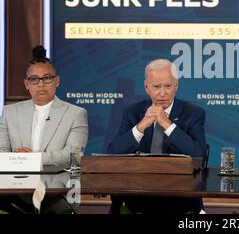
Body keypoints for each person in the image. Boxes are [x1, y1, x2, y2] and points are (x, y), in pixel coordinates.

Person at [106, 59, 207, 214]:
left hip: (179, 198)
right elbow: (112, 154)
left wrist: (167, 124)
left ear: (176, 86)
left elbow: (199, 156)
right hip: (137, 197)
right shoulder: (132, 111)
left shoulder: (193, 113)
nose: (162, 93)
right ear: (146, 87)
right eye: (156, 87)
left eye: (167, 86)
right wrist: (140, 127)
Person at [0, 45, 89, 213]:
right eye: (34, 79)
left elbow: (73, 155)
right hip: (14, 188)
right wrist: (16, 160)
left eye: (47, 78)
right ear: (26, 84)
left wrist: (32, 159)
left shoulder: (76, 113)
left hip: (58, 191)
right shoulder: (10, 112)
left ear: (57, 81)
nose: (40, 84)